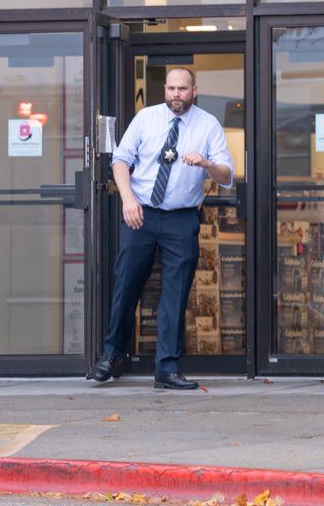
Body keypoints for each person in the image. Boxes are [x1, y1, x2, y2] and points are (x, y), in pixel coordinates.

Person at [94, 67, 234, 389]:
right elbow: (120, 160)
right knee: (126, 284)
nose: (175, 95)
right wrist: (128, 200)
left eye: (182, 89)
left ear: (194, 90)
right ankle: (112, 354)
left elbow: (226, 176)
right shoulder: (146, 118)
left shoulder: (208, 124)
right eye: (170, 88)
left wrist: (208, 164)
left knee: (176, 293)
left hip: (181, 218)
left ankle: (166, 369)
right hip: (140, 213)